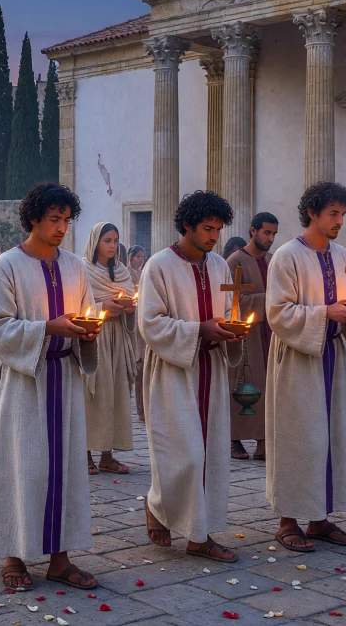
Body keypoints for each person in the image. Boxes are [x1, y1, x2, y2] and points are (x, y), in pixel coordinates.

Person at [0, 184, 102, 592]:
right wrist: (47, 327)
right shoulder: (7, 266)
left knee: (64, 469)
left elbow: (88, 312)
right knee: (23, 467)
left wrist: (88, 331)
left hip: (63, 378)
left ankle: (60, 557)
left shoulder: (75, 266)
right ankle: (13, 555)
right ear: (33, 218)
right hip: (23, 381)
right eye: (54, 219)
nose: (61, 228)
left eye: (66, 220)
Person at [138, 191, 244, 562]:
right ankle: (157, 505)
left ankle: (200, 535)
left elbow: (227, 310)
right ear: (187, 225)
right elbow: (150, 323)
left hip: (210, 369)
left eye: (218, 229)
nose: (214, 236)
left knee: (210, 453)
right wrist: (199, 329)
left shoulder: (219, 266)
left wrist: (231, 329)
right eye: (208, 228)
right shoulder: (159, 266)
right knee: (182, 453)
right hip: (174, 370)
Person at [265, 183, 346, 551]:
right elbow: (278, 313)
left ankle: (320, 519)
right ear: (312, 212)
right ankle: (288, 521)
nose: (340, 221)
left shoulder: (342, 255)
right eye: (333, 213)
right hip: (298, 359)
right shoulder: (287, 256)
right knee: (298, 438)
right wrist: (327, 312)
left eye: (343, 214)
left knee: (329, 438)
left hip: (332, 358)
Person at [82, 221, 138, 475]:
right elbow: (77, 303)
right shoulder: (83, 270)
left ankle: (107, 455)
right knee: (93, 395)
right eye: (107, 241)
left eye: (115, 241)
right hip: (94, 337)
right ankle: (85, 453)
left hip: (118, 337)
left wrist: (129, 308)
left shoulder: (122, 271)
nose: (113, 245)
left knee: (115, 394)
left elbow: (131, 300)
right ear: (96, 242)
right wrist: (103, 306)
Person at [226, 212, 277, 460]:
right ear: (253, 231)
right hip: (247, 334)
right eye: (267, 233)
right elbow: (232, 299)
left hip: (272, 331)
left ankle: (264, 443)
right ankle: (233, 438)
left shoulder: (272, 260)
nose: (270, 238)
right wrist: (272, 301)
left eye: (274, 234)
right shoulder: (235, 261)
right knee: (245, 385)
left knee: (270, 387)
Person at [128, 245, 149, 422]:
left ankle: (145, 409)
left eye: (142, 257)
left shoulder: (144, 274)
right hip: (131, 322)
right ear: (130, 257)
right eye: (137, 257)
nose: (140, 260)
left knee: (144, 371)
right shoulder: (125, 274)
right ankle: (139, 409)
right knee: (137, 370)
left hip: (143, 319)